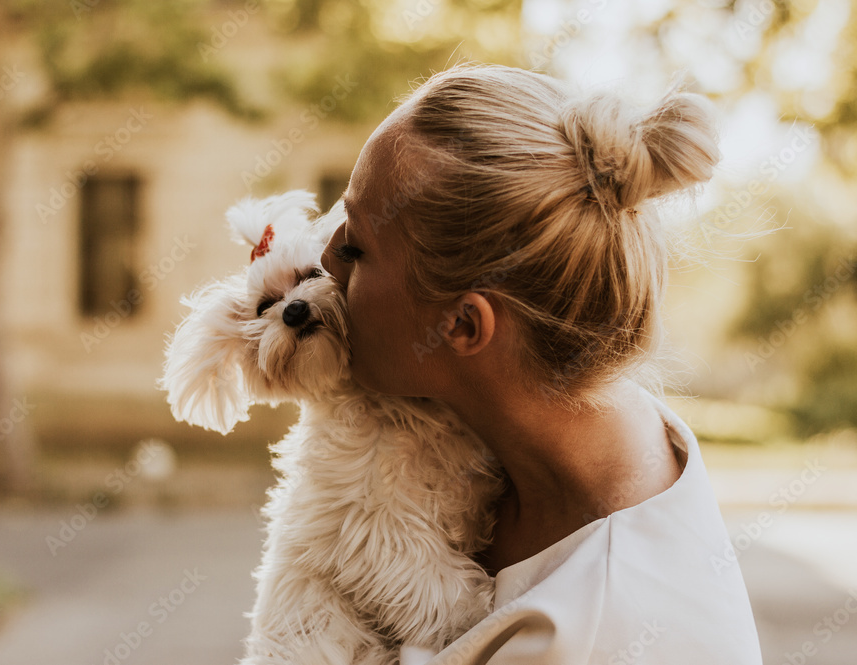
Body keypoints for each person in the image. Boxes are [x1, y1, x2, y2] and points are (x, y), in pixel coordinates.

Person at [320, 64, 763, 664]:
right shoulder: (554, 430)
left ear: (464, 325)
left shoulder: (597, 633)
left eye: (355, 247)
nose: (325, 259)